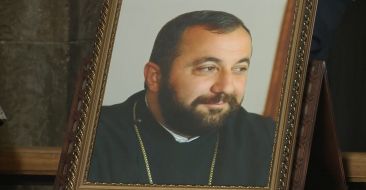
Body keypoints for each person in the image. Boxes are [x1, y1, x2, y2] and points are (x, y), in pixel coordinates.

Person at [88, 10, 275, 186]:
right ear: (155, 77)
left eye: (239, 69)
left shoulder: (268, 139)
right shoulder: (92, 136)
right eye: (208, 68)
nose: (226, 86)